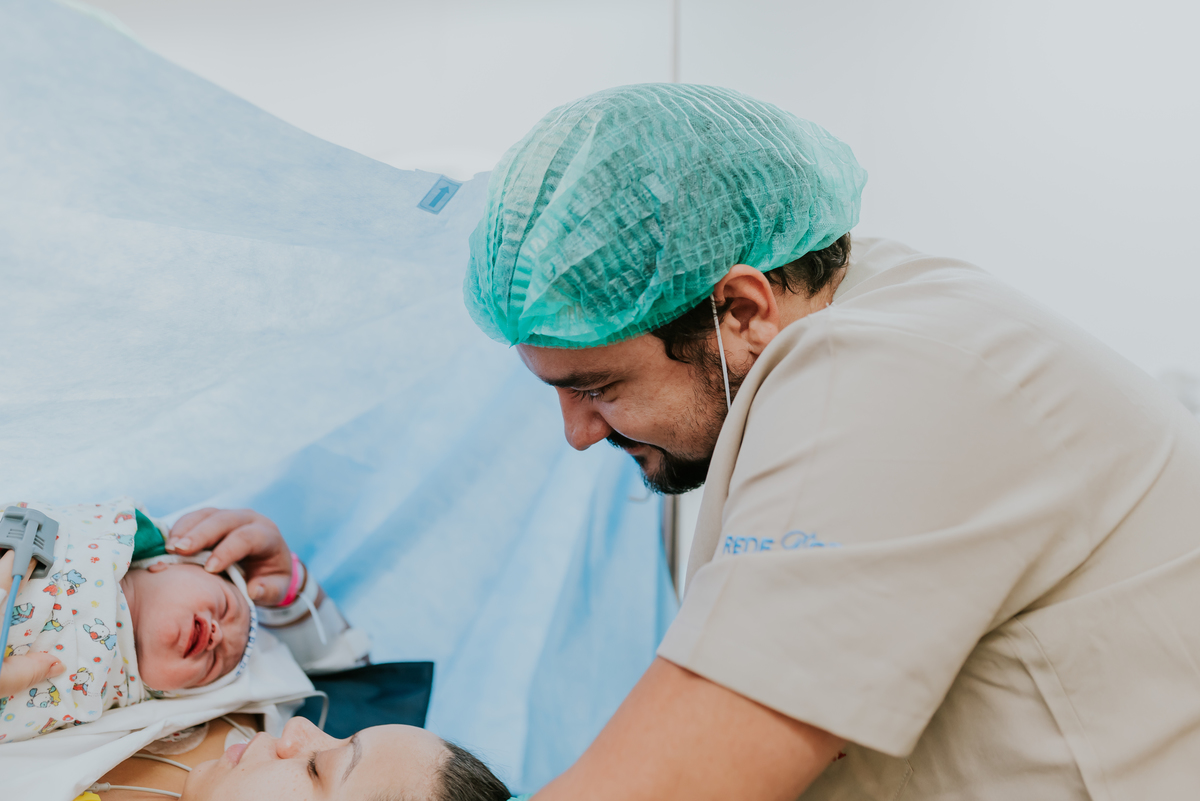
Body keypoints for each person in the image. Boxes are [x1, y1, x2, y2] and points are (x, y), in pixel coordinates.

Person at [176, 84, 1200, 799]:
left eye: (599, 388)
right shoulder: (849, 336)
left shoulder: (883, 385)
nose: (579, 435)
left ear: (739, 309)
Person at [0, 498, 254, 742]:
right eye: (226, 607)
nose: (217, 636)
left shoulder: (105, 706)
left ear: (168, 693)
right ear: (170, 563)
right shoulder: (113, 535)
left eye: (215, 663)